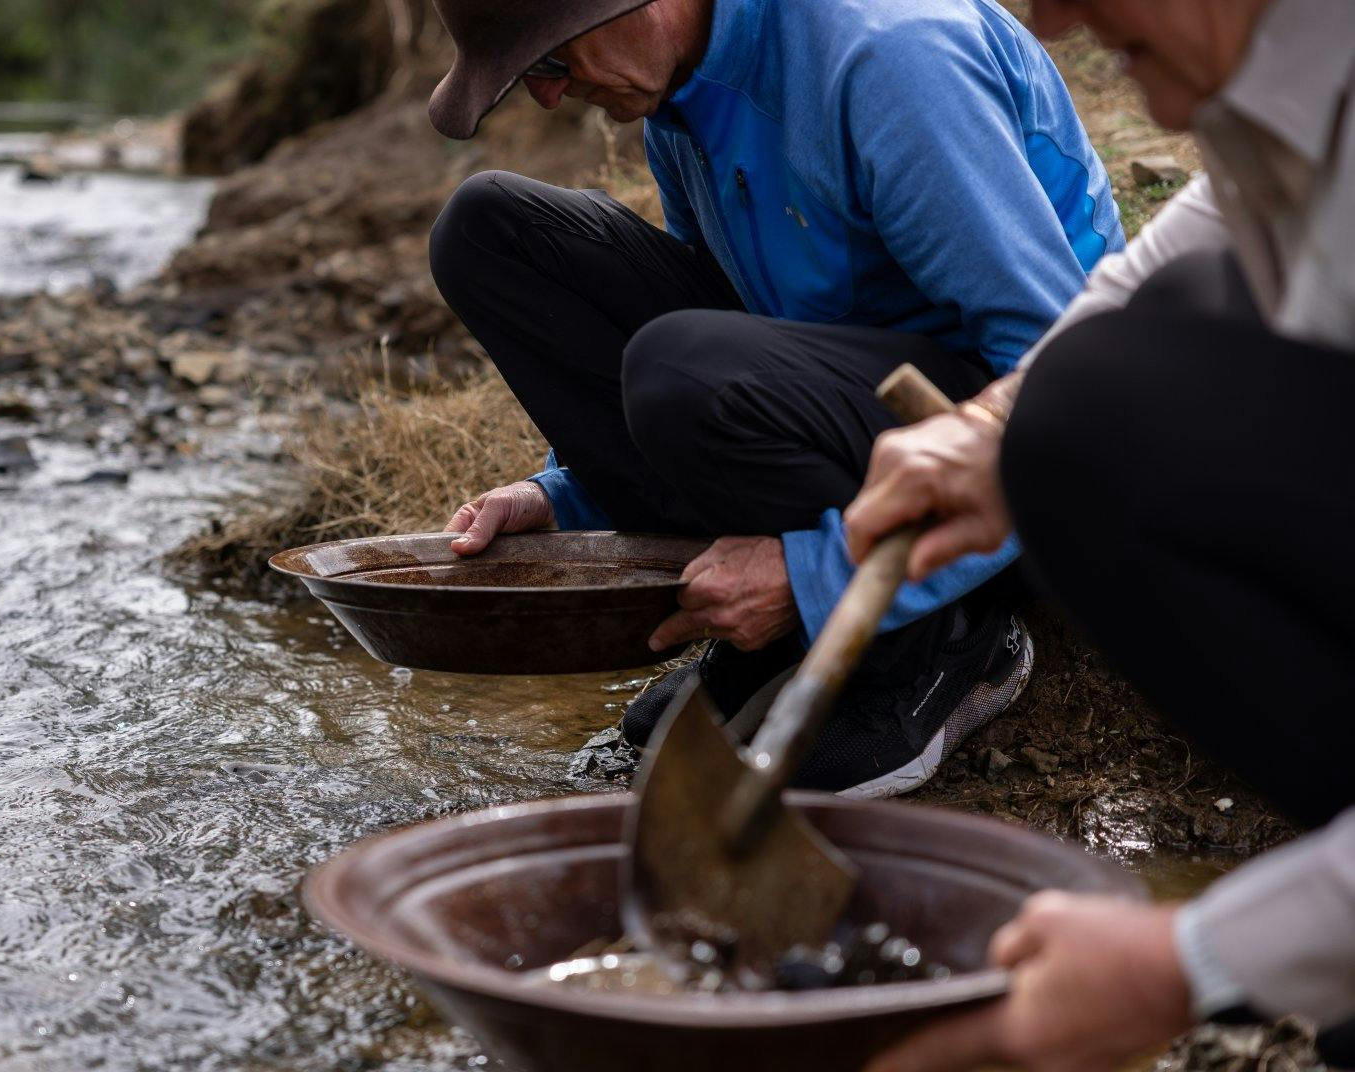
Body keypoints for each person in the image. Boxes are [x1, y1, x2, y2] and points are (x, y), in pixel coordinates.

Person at [844, 0, 1354, 1072]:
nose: (1048, 17)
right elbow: (1199, 237)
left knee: (1093, 410)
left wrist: (1188, 962)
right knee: (1086, 411)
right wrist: (987, 430)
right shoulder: (1288, 70)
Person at [423, 0, 1124, 796]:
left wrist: (816, 574)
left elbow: (1068, 385)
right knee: (486, 230)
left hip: (1019, 475)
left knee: (677, 360)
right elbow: (730, 348)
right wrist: (561, 493)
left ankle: (935, 643)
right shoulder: (682, 97)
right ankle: (781, 643)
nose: (548, 96)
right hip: (862, 426)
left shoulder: (891, 57)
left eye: (548, 60)